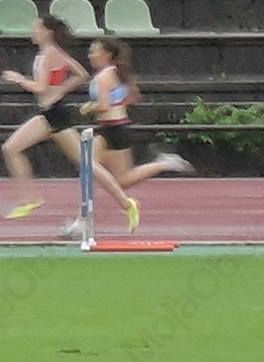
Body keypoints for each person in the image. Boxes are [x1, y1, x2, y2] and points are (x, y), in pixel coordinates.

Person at [1, 15, 141, 232]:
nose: (32, 31)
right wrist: (60, 90)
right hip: (48, 113)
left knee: (86, 165)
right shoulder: (49, 53)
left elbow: (41, 87)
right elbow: (80, 74)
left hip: (55, 116)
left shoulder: (51, 53)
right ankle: (29, 199)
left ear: (47, 32)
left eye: (36, 28)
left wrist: (18, 79)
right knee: (12, 149)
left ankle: (126, 204)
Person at [58, 37, 194, 239]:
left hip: (111, 129)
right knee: (117, 178)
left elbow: (103, 105)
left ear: (106, 54)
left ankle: (95, 216)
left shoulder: (105, 76)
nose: (90, 55)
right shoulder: (117, 73)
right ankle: (163, 164)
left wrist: (86, 108)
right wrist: (117, 102)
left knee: (88, 168)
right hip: (115, 128)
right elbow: (132, 96)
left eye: (94, 51)